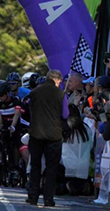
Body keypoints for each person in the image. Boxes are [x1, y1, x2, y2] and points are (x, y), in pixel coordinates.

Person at [26, 69, 68, 207]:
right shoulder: (61, 94)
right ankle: (48, 198)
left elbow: (28, 109)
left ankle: (32, 196)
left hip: (36, 133)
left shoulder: (35, 92)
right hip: (54, 135)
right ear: (56, 80)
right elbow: (65, 114)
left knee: (35, 166)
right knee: (51, 168)